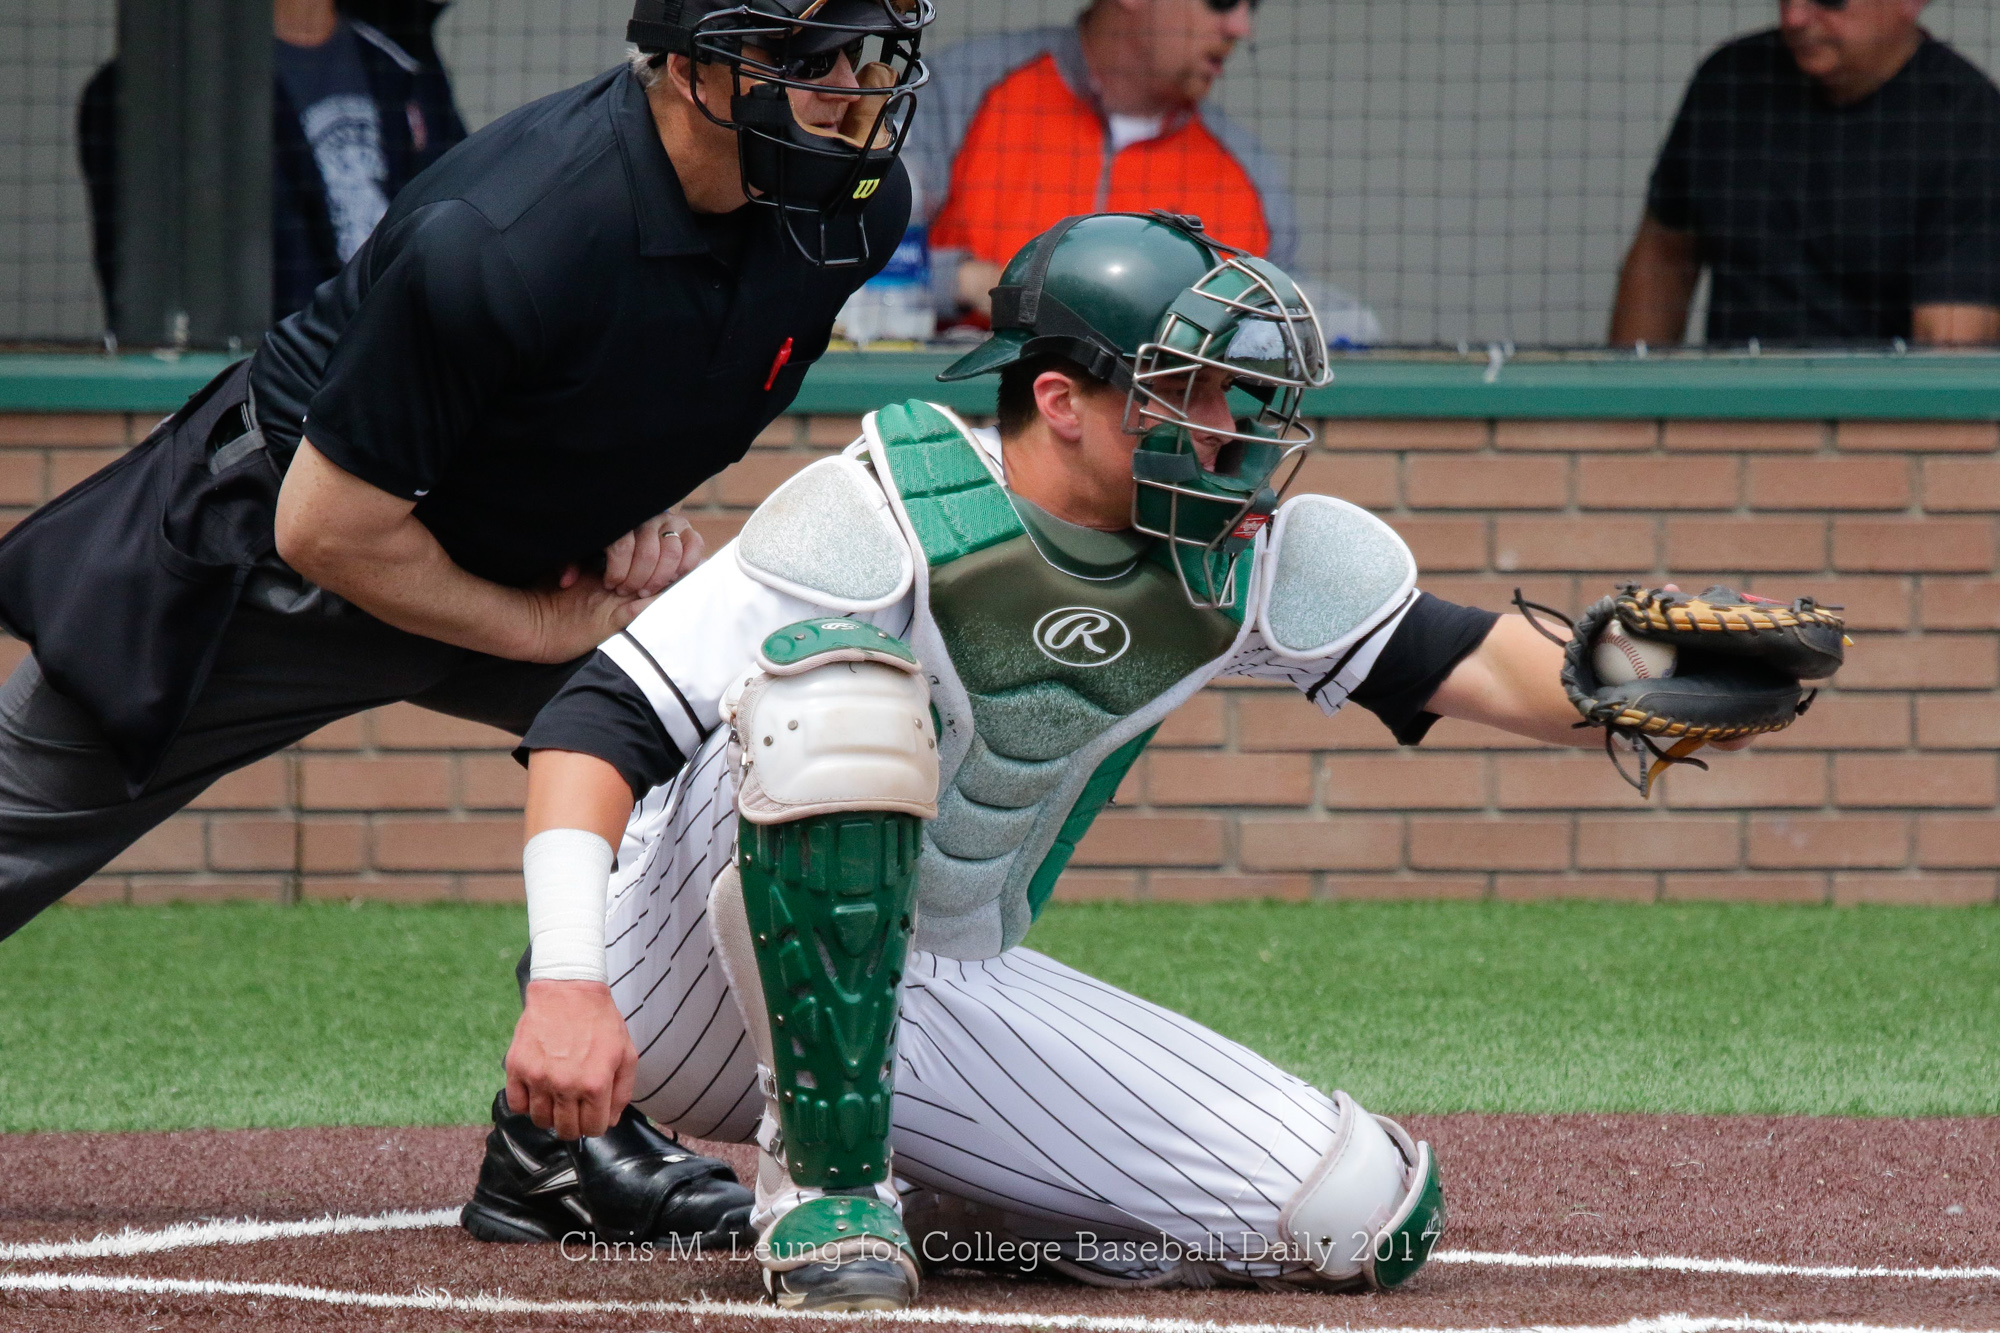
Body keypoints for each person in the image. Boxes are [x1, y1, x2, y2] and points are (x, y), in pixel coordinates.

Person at [488, 211, 1680, 1313]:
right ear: (1060, 399)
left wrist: (1664, 676)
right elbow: (600, 716)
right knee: (842, 699)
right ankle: (821, 1196)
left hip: (923, 977)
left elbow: (1467, 660)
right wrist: (569, 983)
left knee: (1356, 1210)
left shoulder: (1224, 554)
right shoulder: (881, 510)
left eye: (1233, 390)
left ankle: (953, 1194)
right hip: (671, 964)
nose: (1228, 423)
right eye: (1187, 388)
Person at [0, 0, 933, 1250]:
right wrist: (541, 629)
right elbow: (328, 527)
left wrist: (612, 520)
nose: (850, 88)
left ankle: (559, 1152)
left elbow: (653, 372)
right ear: (687, 67)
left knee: (740, 738)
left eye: (868, 54)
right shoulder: (503, 235)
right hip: (273, 562)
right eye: (805, 56)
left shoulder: (850, 212)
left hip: (518, 555)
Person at [903, 0, 1329, 330]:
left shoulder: (1248, 167)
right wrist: (969, 283)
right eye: (1221, 1)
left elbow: (1291, 322)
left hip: (1160, 413)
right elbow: (878, 265)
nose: (1240, 26)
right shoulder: (960, 89)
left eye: (1252, 5)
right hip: (969, 401)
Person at [1609, 0, 2000, 347]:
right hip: (1729, 400)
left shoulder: (1971, 125)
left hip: (1869, 404)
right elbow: (1663, 257)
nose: (1794, 17)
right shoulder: (1728, 84)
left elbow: (1948, 351)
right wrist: (1629, 397)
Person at [78, 0, 471, 326]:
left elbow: (459, 235)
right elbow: (146, 297)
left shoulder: (402, 66)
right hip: (267, 381)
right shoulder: (155, 91)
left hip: (406, 372)